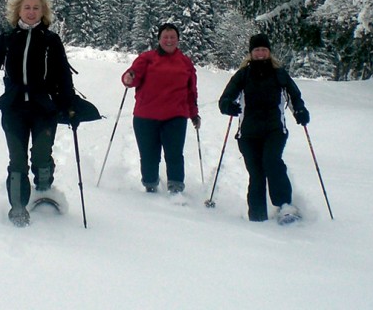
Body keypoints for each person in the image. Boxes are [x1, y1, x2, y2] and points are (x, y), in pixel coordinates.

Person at [0, 0, 74, 227]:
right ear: (18, 10)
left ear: (43, 12)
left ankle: (43, 188)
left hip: (44, 109)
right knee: (17, 160)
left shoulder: (51, 41)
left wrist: (69, 104)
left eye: (36, 8)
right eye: (27, 8)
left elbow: (64, 77)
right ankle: (18, 207)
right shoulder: (7, 39)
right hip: (13, 109)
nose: (31, 12)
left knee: (42, 155)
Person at [218, 33, 309, 225]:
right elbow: (225, 99)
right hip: (248, 134)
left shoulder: (279, 73)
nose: (260, 53)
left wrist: (299, 111)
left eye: (264, 50)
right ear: (251, 53)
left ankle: (285, 206)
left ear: (269, 52)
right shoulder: (243, 75)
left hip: (274, 130)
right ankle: (257, 217)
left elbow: (294, 96)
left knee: (272, 161)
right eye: (257, 50)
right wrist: (228, 106)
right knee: (256, 173)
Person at [121, 23, 199, 194]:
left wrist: (194, 114)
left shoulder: (185, 62)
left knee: (175, 154)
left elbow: (191, 91)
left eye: (172, 37)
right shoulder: (147, 58)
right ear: (159, 39)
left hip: (175, 116)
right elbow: (133, 75)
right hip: (145, 116)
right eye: (165, 37)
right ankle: (150, 184)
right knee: (149, 155)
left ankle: (176, 187)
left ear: (178, 40)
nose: (169, 40)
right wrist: (129, 78)